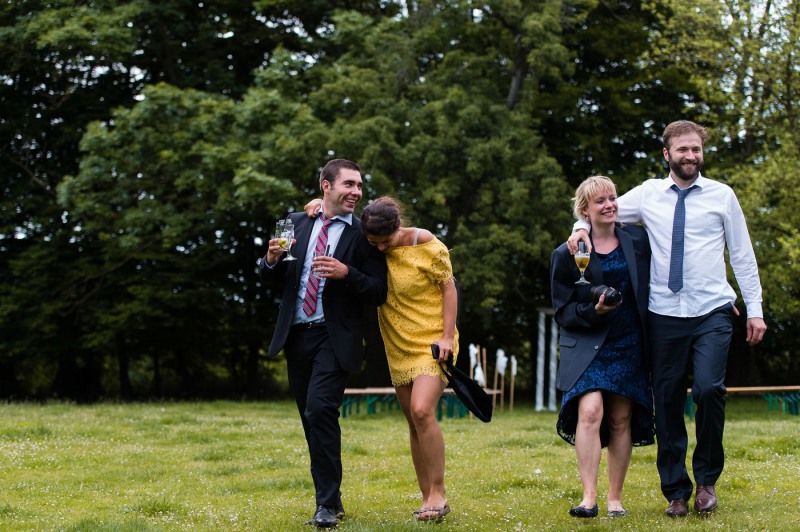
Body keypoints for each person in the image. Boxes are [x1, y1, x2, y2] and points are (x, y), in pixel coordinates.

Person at [567, 121, 767, 518]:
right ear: (667, 154)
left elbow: (742, 254)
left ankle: (707, 481)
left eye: (696, 149)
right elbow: (601, 209)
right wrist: (578, 226)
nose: (690, 156)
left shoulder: (722, 196)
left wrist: (755, 309)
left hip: (713, 311)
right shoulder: (647, 194)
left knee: (709, 389)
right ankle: (676, 490)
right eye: (683, 150)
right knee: (669, 400)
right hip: (663, 314)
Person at [306, 195, 458, 522]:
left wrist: (447, 335)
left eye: (385, 242)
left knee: (421, 409)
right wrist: (318, 202)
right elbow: (339, 217)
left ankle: (438, 492)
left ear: (397, 226)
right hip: (398, 341)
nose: (379, 249)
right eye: (373, 243)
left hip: (432, 339)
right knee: (413, 421)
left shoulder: (425, 241)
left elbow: (448, 288)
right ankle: (426, 496)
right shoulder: (370, 241)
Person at [259, 159, 387, 528]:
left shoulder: (365, 235)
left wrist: (347, 274)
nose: (357, 192)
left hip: (335, 337)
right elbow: (271, 278)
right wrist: (269, 260)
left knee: (319, 411)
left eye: (360, 186)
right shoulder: (295, 222)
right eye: (349, 184)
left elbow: (378, 291)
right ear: (325, 186)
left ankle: (326, 506)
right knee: (310, 420)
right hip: (295, 335)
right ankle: (332, 499)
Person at [551, 175, 655, 519]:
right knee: (591, 411)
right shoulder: (566, 254)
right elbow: (563, 310)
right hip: (587, 343)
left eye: (612, 198)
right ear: (585, 211)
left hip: (629, 341)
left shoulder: (639, 240)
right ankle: (589, 497)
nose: (610, 204)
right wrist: (592, 311)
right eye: (600, 201)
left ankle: (615, 498)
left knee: (621, 418)